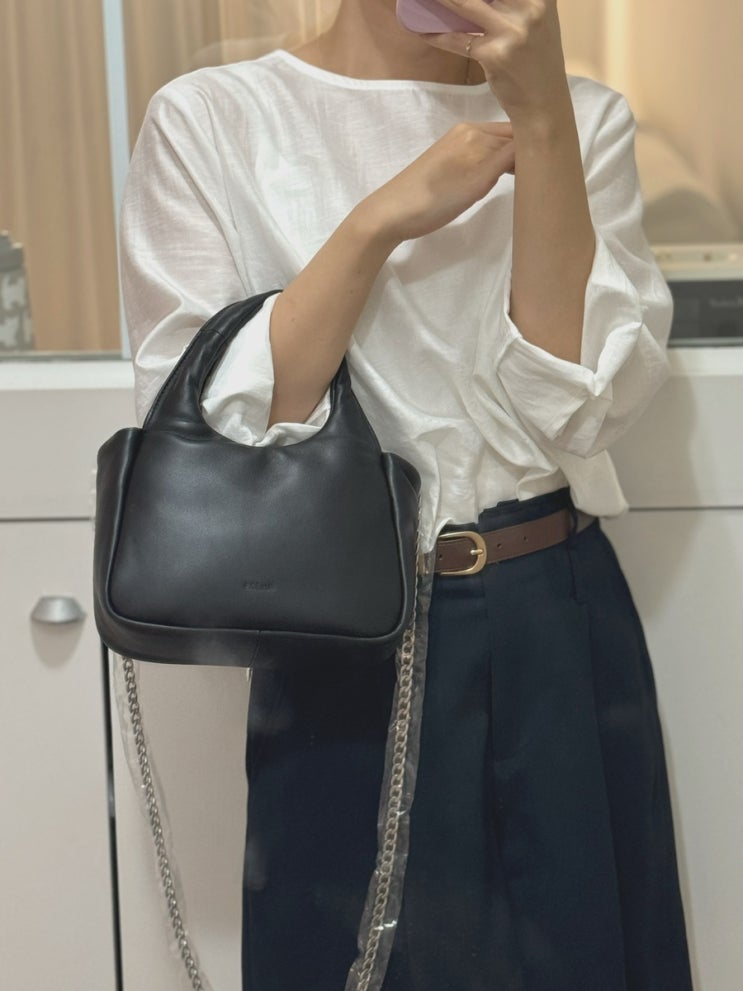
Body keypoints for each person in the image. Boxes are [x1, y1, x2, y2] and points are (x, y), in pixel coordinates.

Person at [119, 1, 695, 989]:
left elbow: (577, 407)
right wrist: (379, 220)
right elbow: (221, 428)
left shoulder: (583, 117)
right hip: (343, 630)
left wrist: (542, 120)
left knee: (582, 955)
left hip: (548, 611)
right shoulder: (212, 117)